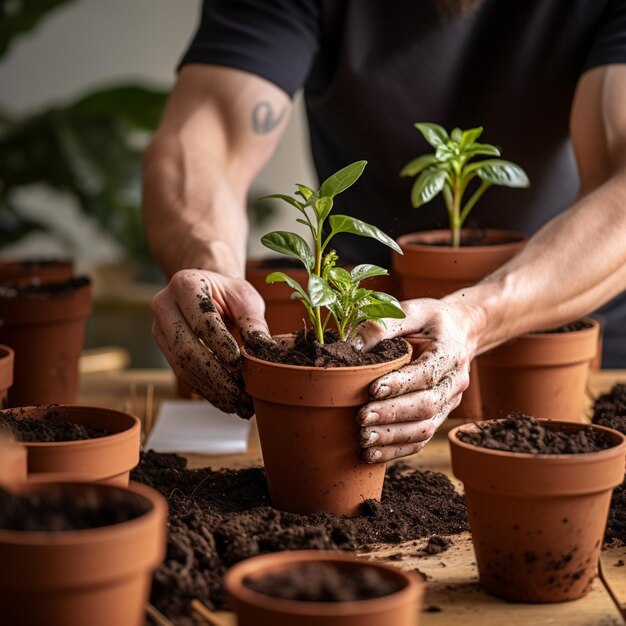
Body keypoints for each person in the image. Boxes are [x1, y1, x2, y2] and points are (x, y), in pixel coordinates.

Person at [143, 0, 626, 463]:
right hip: (361, 335)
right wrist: (211, 268)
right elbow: (207, 137)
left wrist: (475, 316)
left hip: (565, 321)